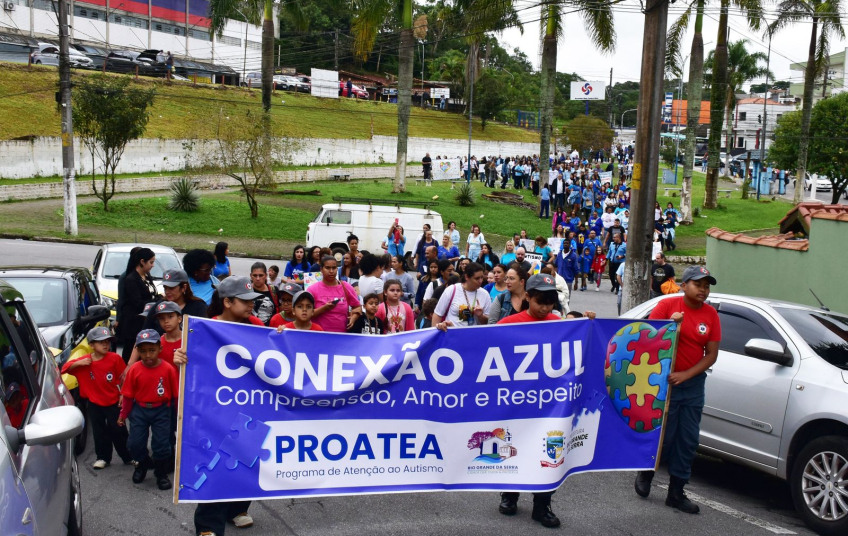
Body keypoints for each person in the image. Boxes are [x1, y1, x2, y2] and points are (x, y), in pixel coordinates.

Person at [173, 277, 261, 534]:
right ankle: (208, 525)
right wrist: (180, 357)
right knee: (214, 466)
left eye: (252, 301)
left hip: (250, 408)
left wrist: (281, 336)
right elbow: (191, 367)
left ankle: (238, 509)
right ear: (227, 302)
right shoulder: (204, 329)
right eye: (245, 301)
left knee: (246, 463)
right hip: (216, 411)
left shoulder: (256, 326)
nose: (251, 305)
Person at [635, 267, 721, 514]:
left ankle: (676, 492)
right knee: (665, 435)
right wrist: (670, 326)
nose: (703, 290)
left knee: (688, 439)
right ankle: (646, 471)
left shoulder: (711, 315)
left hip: (692, 384)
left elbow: (711, 354)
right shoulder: (667, 306)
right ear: (684, 286)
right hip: (664, 382)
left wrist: (687, 374)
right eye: (698, 284)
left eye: (706, 286)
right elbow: (649, 340)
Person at [496, 274, 564, 527]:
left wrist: (588, 324)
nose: (545, 308)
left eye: (550, 302)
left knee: (549, 453)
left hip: (550, 403)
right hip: (516, 401)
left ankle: (542, 505)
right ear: (527, 297)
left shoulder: (559, 324)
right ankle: (509, 495)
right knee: (514, 446)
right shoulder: (508, 324)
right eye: (540, 302)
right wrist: (445, 332)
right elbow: (477, 345)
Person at [61, 326, 131, 470]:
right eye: (101, 342)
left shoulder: (115, 358)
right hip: (94, 403)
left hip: (113, 402)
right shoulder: (85, 361)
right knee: (99, 431)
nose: (105, 344)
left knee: (118, 429)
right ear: (91, 345)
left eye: (107, 341)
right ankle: (102, 457)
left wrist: (123, 394)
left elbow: (124, 378)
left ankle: (128, 456)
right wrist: (78, 363)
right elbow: (64, 369)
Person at [118, 329, 178, 491]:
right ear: (138, 351)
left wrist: (178, 414)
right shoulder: (135, 369)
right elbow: (128, 396)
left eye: (152, 350)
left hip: (162, 410)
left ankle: (161, 472)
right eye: (143, 351)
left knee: (162, 444)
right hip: (140, 410)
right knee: (135, 443)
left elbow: (176, 395)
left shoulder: (168, 369)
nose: (148, 355)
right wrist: (123, 415)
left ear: (160, 349)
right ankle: (142, 464)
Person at [117, 248, 158, 363]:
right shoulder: (131, 279)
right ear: (142, 261)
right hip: (132, 325)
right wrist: (157, 300)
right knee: (130, 352)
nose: (153, 265)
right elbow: (138, 304)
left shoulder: (146, 276)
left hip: (144, 322)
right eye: (151, 262)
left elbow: (151, 295)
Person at [307, 256, 362, 332]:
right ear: (321, 270)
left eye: (334, 268)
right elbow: (307, 314)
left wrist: (353, 318)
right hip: (319, 335)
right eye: (327, 268)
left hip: (342, 335)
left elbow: (358, 307)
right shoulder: (312, 289)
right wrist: (324, 308)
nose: (331, 271)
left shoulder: (346, 287)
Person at [432, 262, 491, 328]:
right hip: (453, 333)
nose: (480, 281)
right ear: (466, 277)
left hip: (474, 333)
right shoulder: (452, 290)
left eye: (482, 277)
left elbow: (487, 323)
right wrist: (435, 332)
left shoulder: (485, 294)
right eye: (477, 278)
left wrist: (481, 316)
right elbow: (438, 314)